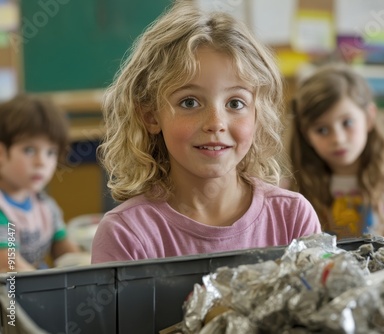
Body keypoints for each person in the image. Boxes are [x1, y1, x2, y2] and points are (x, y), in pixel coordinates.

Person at [90, 1, 321, 264]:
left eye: (235, 103)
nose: (216, 123)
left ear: (258, 114)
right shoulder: (126, 234)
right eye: (189, 102)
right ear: (151, 116)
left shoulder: (292, 217)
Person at [289, 64, 384, 243]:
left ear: (369, 117)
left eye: (347, 122)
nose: (338, 139)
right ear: (306, 135)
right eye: (322, 130)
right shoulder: (293, 187)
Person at [0, 94, 81, 271]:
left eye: (50, 152)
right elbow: (9, 264)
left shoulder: (46, 206)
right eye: (29, 150)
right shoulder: (3, 209)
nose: (41, 162)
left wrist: (83, 264)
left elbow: (65, 250)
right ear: (1, 153)